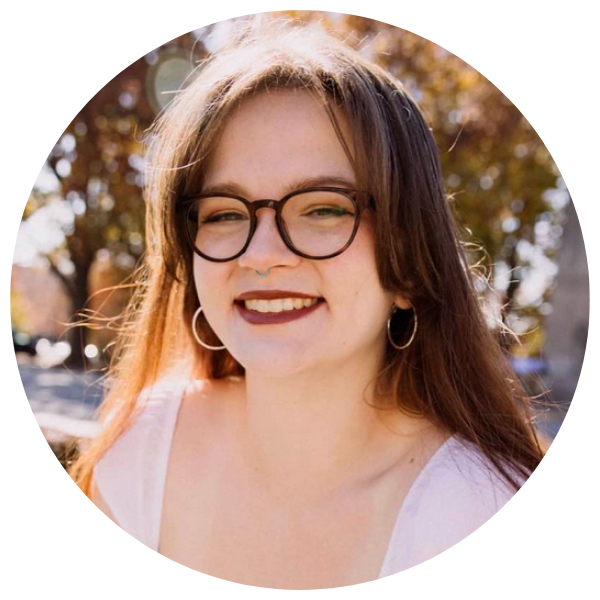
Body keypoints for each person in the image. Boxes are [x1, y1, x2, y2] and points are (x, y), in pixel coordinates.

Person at [69, 19, 546, 589]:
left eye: (323, 208)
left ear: (410, 265)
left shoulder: (481, 516)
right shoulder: (141, 451)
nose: (261, 255)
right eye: (224, 213)